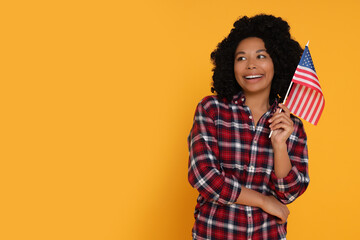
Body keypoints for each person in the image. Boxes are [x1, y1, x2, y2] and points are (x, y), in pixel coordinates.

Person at [187, 14, 309, 240]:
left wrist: (279, 145)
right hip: (214, 234)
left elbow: (288, 194)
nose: (251, 65)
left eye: (261, 56)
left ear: (277, 63)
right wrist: (263, 201)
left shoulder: (292, 126)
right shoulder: (211, 110)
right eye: (241, 58)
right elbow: (204, 177)